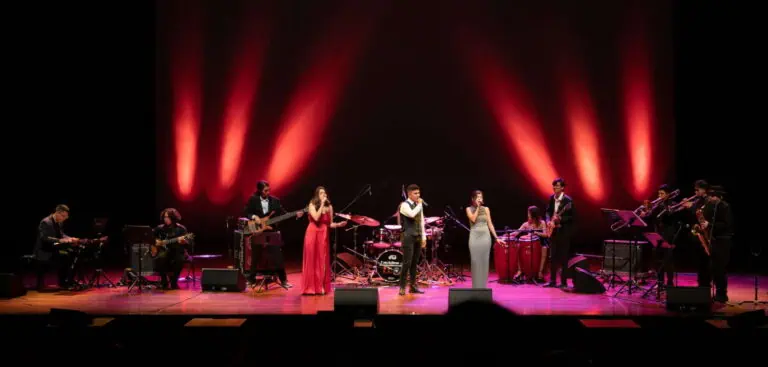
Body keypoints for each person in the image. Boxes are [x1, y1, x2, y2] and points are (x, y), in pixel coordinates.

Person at [243, 180, 303, 288]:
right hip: (257, 231)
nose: (268, 192)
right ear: (260, 190)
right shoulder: (253, 199)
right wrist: (254, 217)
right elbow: (247, 212)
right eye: (265, 190)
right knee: (255, 256)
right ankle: (251, 280)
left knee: (277, 256)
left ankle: (284, 280)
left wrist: (296, 215)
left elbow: (284, 214)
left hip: (271, 232)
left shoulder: (275, 201)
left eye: (269, 190)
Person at [301, 186, 347, 295]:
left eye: (325, 193)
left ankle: (320, 286)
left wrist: (338, 225)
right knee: (312, 259)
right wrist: (321, 204)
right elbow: (316, 218)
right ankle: (311, 288)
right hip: (312, 233)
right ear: (317, 195)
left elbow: (330, 223)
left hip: (323, 234)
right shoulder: (312, 204)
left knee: (322, 259)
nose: (324, 195)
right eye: (321, 193)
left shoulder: (329, 207)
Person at [693, 186, 734, 302]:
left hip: (722, 240)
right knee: (705, 267)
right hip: (710, 239)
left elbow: (726, 224)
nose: (710, 198)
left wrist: (709, 225)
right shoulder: (709, 206)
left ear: (719, 197)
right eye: (710, 196)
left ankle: (721, 294)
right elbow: (702, 219)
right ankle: (704, 290)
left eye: (713, 196)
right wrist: (700, 227)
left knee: (719, 268)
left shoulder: (725, 206)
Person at [638, 184, 681, 287]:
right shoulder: (657, 205)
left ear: (668, 194)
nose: (659, 196)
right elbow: (652, 218)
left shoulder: (673, 204)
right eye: (659, 193)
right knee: (657, 259)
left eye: (662, 194)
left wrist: (665, 208)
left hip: (668, 234)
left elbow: (671, 218)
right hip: (658, 234)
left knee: (668, 259)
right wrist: (646, 214)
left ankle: (670, 282)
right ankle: (660, 282)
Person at [33, 204, 79, 290]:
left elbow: (61, 235)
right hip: (44, 251)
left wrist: (70, 238)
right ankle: (63, 282)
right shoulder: (45, 222)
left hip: (53, 249)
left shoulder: (59, 222)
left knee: (72, 254)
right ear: (57, 213)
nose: (65, 218)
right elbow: (44, 238)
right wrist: (59, 240)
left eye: (66, 217)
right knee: (65, 256)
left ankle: (66, 281)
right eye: (63, 216)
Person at [465, 190, 504, 288]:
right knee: (475, 261)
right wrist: (478, 207)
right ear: (473, 198)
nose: (479, 199)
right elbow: (473, 219)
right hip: (474, 236)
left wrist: (496, 238)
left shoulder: (486, 209)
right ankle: (476, 286)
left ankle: (483, 286)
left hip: (485, 237)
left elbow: (490, 224)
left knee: (484, 261)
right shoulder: (468, 209)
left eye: (481, 197)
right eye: (477, 197)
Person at [544, 178, 575, 289]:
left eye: (557, 186)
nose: (555, 188)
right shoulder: (551, 198)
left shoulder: (568, 201)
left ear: (562, 188)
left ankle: (563, 282)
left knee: (563, 257)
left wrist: (560, 219)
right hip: (553, 232)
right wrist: (548, 221)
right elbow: (548, 211)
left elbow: (572, 217)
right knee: (552, 257)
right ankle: (552, 281)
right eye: (554, 186)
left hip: (564, 232)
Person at [398, 184, 426, 295]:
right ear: (409, 194)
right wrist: (419, 205)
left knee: (415, 263)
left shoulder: (418, 205)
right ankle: (402, 286)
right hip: (408, 236)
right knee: (407, 263)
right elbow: (412, 214)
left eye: (419, 193)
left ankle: (413, 286)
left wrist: (424, 236)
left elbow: (421, 221)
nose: (418, 195)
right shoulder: (404, 205)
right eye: (415, 193)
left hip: (418, 236)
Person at [153, 208, 192, 290]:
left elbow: (188, 242)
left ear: (173, 218)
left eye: (167, 217)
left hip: (177, 251)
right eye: (164, 217)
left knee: (179, 260)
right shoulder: (160, 228)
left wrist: (184, 241)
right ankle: (164, 282)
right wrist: (156, 242)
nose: (165, 219)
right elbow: (150, 236)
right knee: (159, 258)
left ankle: (174, 282)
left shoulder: (181, 229)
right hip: (164, 250)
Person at [515, 205, 549, 281]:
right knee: (517, 246)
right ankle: (520, 270)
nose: (527, 215)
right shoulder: (526, 224)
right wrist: (507, 234)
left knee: (544, 248)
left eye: (529, 213)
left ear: (533, 215)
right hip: (528, 244)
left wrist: (536, 233)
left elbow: (546, 234)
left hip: (540, 243)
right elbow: (516, 232)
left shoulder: (542, 223)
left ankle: (540, 272)